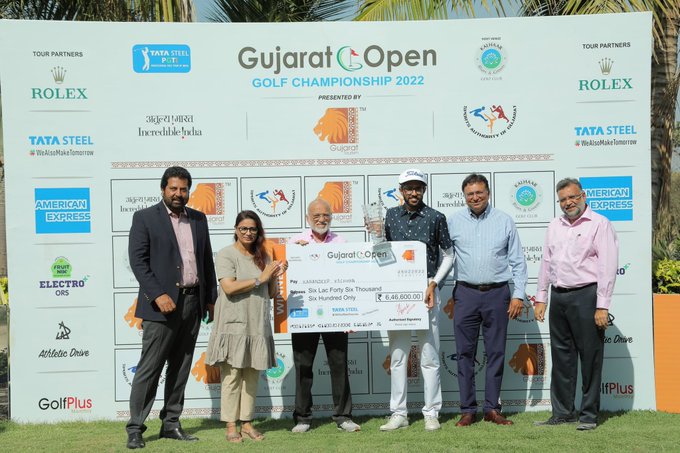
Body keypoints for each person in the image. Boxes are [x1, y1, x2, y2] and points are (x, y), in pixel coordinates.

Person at [126, 166, 217, 449]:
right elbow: (138, 261)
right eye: (173, 188)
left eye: (183, 189)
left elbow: (206, 262)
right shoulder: (145, 218)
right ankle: (135, 427)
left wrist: (210, 298)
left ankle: (171, 423)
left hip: (193, 303)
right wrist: (158, 294)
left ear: (189, 190)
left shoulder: (199, 219)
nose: (179, 194)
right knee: (150, 368)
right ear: (163, 189)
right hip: (161, 307)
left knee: (180, 368)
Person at [533, 178, 618, 431]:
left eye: (572, 197)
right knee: (561, 357)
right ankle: (562, 413)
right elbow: (546, 263)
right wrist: (541, 298)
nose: (568, 203)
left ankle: (589, 415)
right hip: (558, 296)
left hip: (587, 296)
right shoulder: (554, 225)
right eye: (562, 200)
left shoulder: (599, 224)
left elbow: (607, 266)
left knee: (590, 356)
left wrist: (602, 305)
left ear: (583, 195)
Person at [448, 173, 527, 427]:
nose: (475, 197)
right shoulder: (453, 222)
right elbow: (442, 257)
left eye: (479, 192)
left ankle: (492, 408)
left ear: (488, 193)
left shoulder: (504, 221)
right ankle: (468, 410)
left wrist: (518, 294)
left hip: (498, 294)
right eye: (470, 194)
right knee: (464, 354)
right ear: (464, 196)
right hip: (465, 294)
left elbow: (518, 261)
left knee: (496, 353)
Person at [379, 169, 454, 432]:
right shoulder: (388, 216)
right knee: (398, 355)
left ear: (424, 190)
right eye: (408, 188)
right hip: (396, 293)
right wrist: (376, 237)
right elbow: (381, 254)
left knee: (429, 356)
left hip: (426, 292)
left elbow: (448, 255)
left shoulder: (436, 217)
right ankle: (399, 413)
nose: (413, 192)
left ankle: (431, 412)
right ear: (401, 190)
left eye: (418, 188)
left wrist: (434, 283)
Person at [205, 210, 287, 443]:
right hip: (233, 323)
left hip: (257, 324)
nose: (248, 233)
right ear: (235, 230)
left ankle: (247, 423)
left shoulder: (264, 257)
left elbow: (270, 294)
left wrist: (275, 276)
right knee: (231, 376)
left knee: (251, 376)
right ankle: (231, 425)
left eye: (252, 229)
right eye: (243, 229)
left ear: (258, 231)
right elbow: (229, 288)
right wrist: (261, 278)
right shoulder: (225, 254)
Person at [288, 198, 360, 433]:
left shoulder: (341, 242)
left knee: (339, 364)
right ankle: (302, 417)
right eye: (316, 215)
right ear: (308, 218)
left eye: (326, 215)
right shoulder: (295, 242)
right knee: (303, 366)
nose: (321, 219)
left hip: (336, 314)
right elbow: (286, 279)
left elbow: (350, 280)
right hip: (304, 314)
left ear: (331, 217)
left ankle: (343, 416)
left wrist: (350, 315)